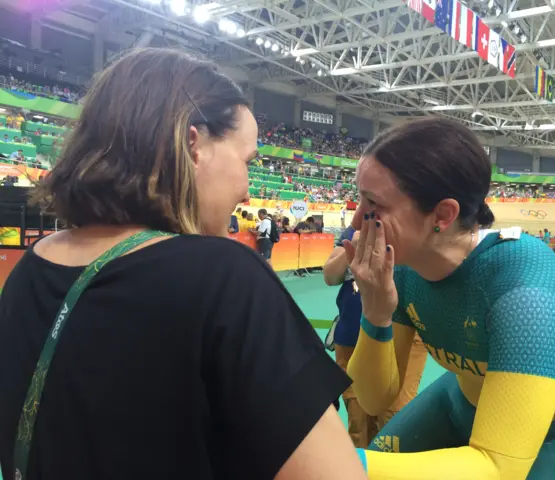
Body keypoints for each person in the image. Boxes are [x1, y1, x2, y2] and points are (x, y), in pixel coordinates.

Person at [0, 48, 366, 480]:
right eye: (246, 161)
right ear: (193, 144)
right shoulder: (224, 276)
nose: (247, 190)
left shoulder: (29, 271)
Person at [343, 118, 555, 479]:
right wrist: (375, 314)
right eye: (359, 198)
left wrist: (327, 465)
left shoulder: (528, 293)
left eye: (373, 203)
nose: (358, 219)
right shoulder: (407, 269)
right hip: (459, 405)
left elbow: (497, 468)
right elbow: (374, 400)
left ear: (442, 215)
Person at [323, 226, 426, 448]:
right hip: (350, 337)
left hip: (401, 342)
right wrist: (354, 246)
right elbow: (330, 276)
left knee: (393, 424)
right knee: (358, 422)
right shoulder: (355, 230)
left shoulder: (415, 224)